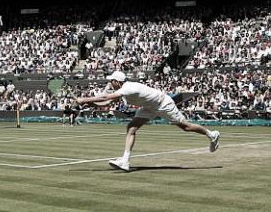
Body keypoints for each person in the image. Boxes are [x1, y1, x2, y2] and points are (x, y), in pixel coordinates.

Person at [77, 70, 220, 172]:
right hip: (149, 107)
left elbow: (104, 98)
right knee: (131, 128)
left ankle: (212, 134)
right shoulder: (123, 89)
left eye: (111, 82)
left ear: (116, 82)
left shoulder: (128, 88)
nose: (110, 84)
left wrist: (84, 99)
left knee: (186, 127)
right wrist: (89, 104)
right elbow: (105, 103)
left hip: (163, 104)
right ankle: (125, 161)